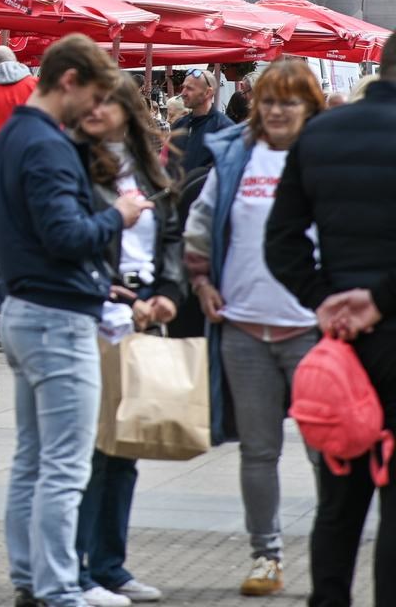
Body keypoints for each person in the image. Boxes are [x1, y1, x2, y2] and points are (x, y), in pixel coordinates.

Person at [0, 34, 146, 607]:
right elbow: (64, 234)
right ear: (70, 81)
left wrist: (102, 281)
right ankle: (58, 585)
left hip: (27, 308)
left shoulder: (7, 139)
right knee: (64, 463)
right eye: (94, 93)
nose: (95, 108)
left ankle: (32, 575)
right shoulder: (48, 145)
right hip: (58, 318)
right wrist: (118, 216)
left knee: (32, 458)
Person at [181, 59, 324, 598]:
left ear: (309, 106)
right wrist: (202, 282)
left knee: (326, 450)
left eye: (290, 100)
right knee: (258, 451)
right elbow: (200, 224)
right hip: (244, 328)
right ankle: (266, 555)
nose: (278, 110)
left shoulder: (323, 159)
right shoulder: (239, 157)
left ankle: (335, 548)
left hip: (311, 331)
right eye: (269, 100)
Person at [265, 34, 396, 607]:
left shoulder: (321, 133)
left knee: (339, 501)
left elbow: (280, 241)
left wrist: (324, 298)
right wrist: (381, 300)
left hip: (340, 345)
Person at [73, 73, 185, 607]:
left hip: (145, 316)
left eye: (108, 103)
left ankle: (110, 565)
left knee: (127, 448)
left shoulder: (152, 168)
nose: (98, 111)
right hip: (99, 314)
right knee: (95, 448)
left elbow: (170, 239)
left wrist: (169, 292)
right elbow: (77, 244)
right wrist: (122, 298)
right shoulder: (78, 168)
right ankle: (78, 568)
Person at [169, 69, 234, 178]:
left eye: (189, 88)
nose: (183, 93)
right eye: (183, 87)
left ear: (208, 92)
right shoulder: (180, 124)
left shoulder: (224, 128)